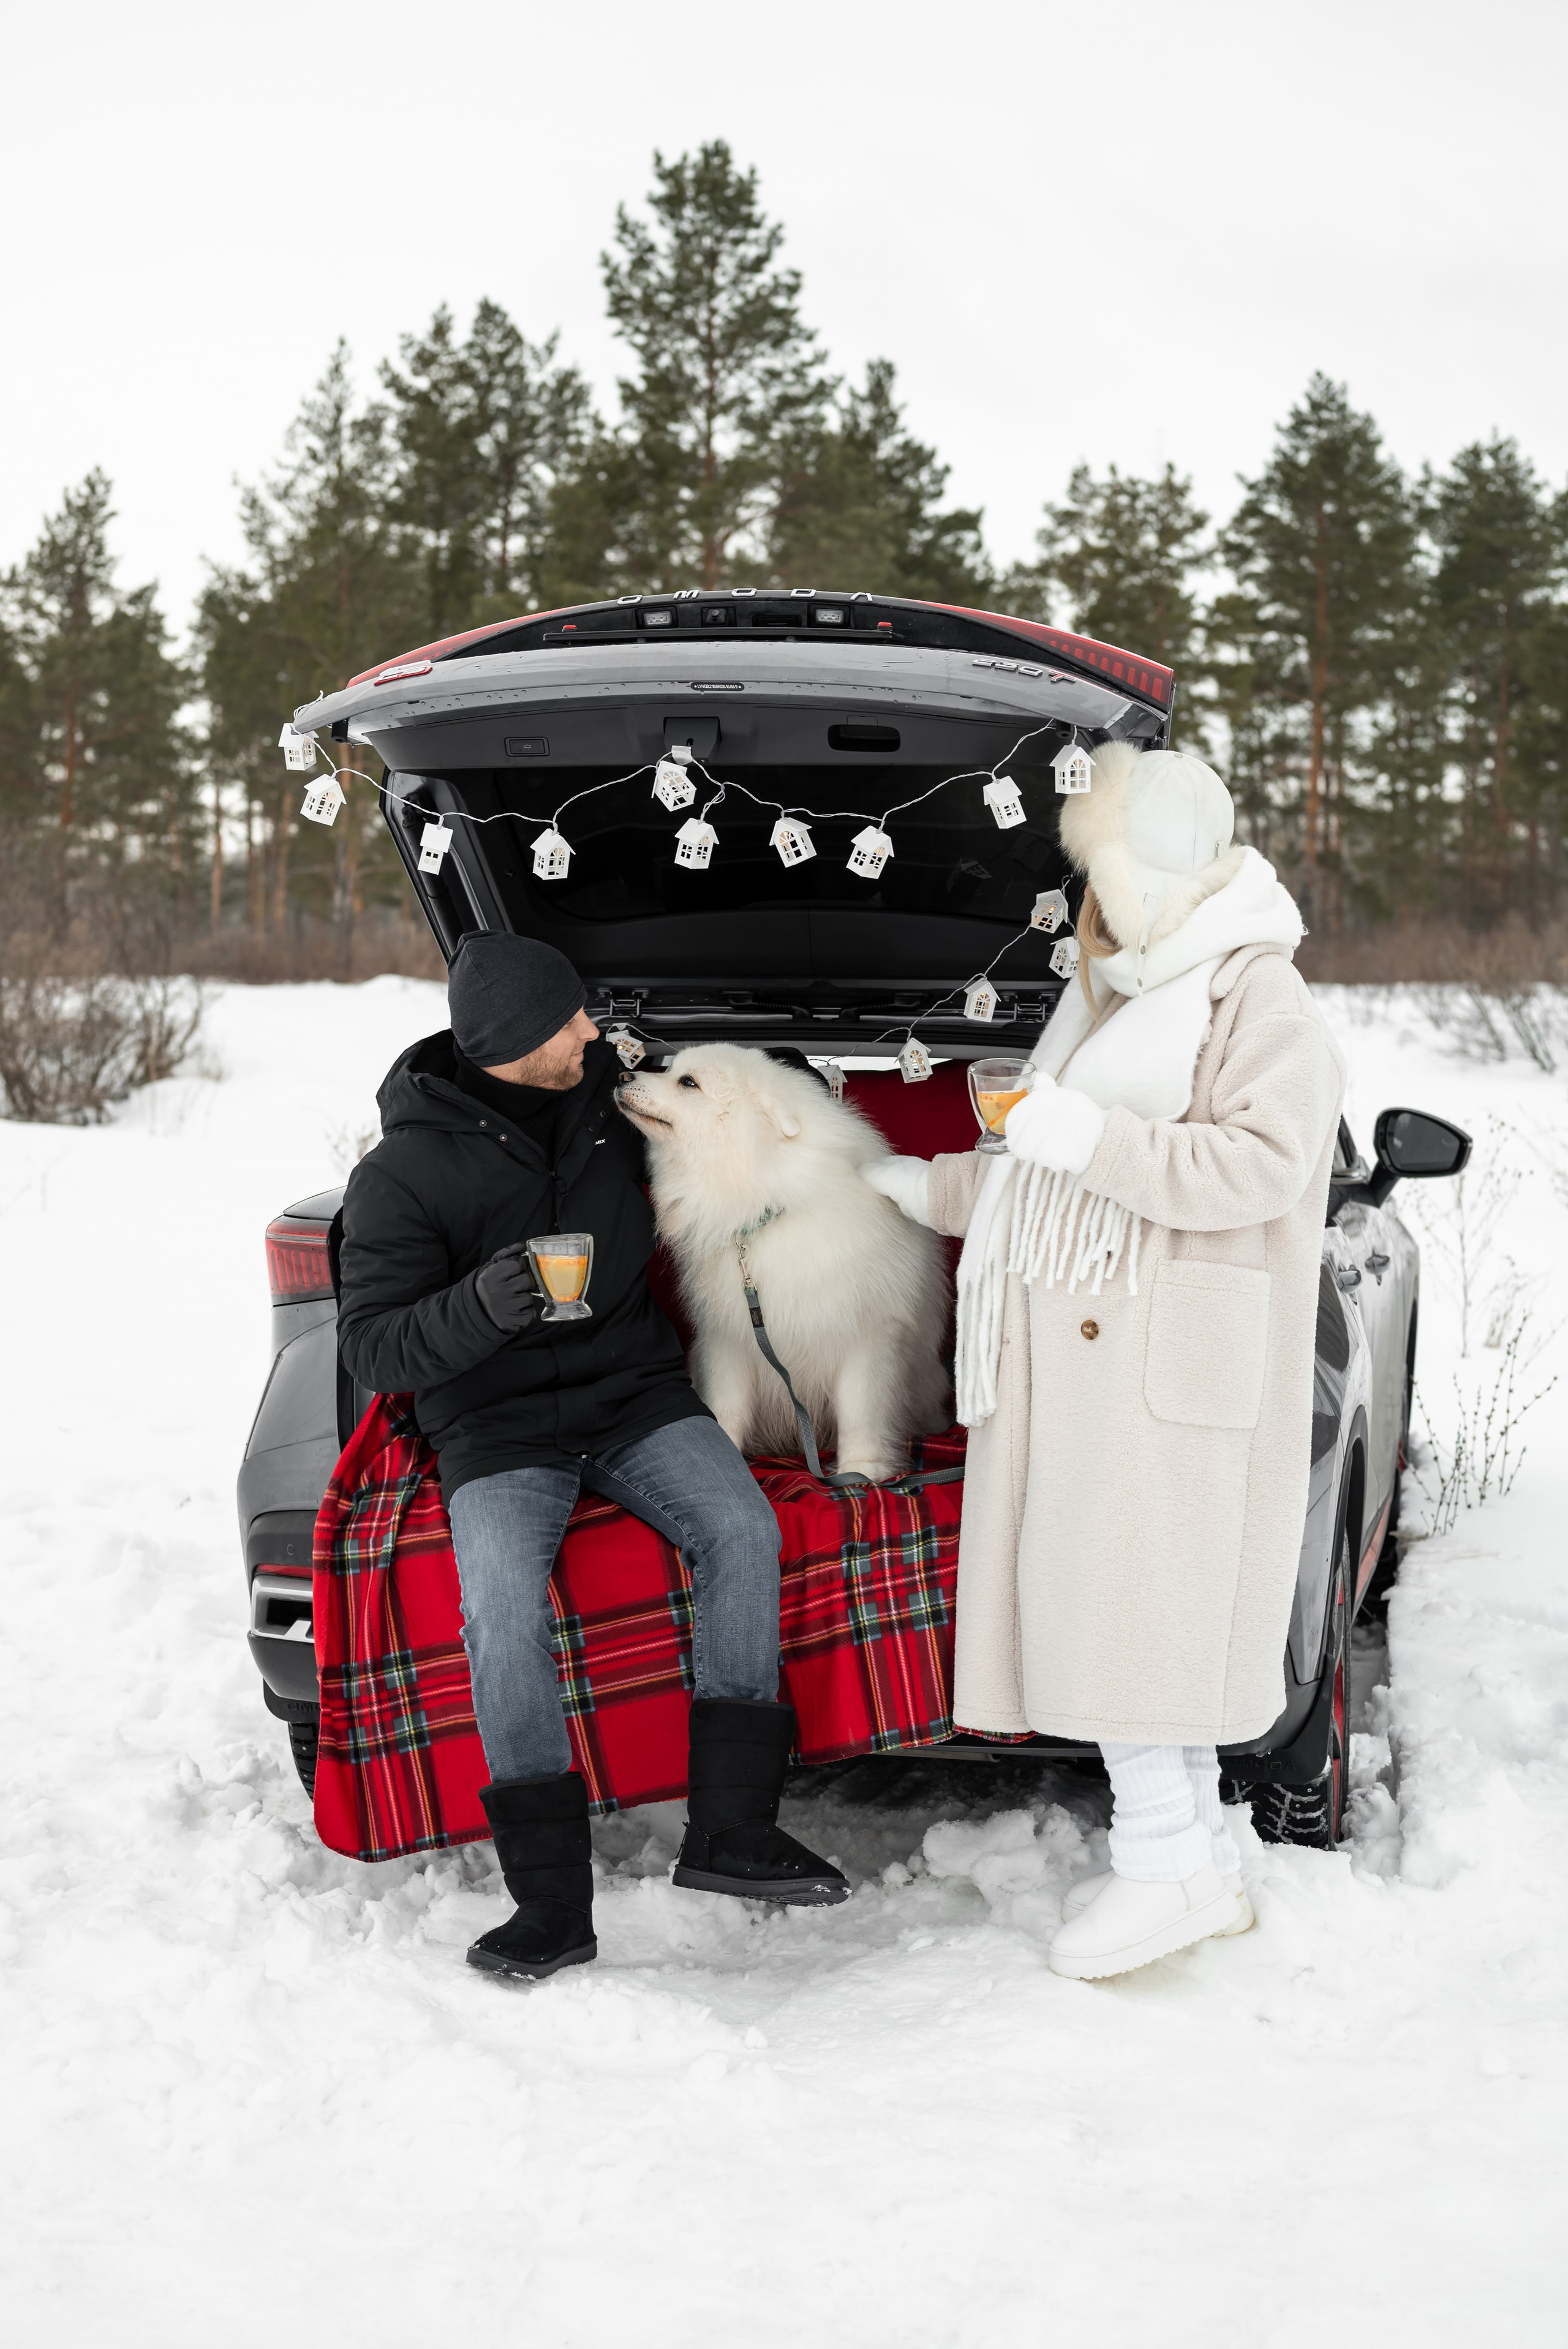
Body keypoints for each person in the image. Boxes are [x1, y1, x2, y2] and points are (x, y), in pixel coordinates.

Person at [865, 744, 1344, 1981]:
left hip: (1168, 1366)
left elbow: (1262, 1166)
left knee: (1144, 1621)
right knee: (1131, 1617)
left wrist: (1088, 1134)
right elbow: (1043, 1168)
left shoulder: (1256, 995)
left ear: (1154, 877)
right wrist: (927, 1187)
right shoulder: (1121, 991)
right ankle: (1195, 1865)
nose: (1086, 908)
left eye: (1102, 879)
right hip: (1089, 1362)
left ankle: (1160, 1865)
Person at [337, 932, 846, 1981]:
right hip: (497, 1426)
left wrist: (787, 1088)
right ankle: (552, 1905)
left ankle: (731, 1833)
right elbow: (376, 1347)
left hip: (634, 1397)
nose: (593, 1030)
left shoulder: (606, 1097)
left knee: (744, 1527)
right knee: (501, 1612)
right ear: (516, 1044)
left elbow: (727, 1096)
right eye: (569, 1021)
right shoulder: (403, 1174)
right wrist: (484, 1306)